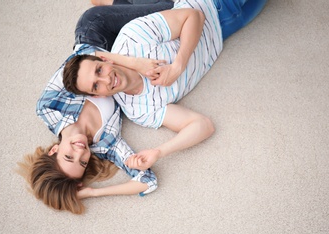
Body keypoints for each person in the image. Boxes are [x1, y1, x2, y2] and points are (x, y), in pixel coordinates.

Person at [62, 0, 268, 170]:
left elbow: (193, 16)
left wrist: (177, 67)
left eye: (99, 71)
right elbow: (203, 125)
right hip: (227, 28)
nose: (107, 80)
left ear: (105, 60)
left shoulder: (131, 38)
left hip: (214, 5)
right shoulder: (137, 111)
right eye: (96, 86)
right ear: (97, 95)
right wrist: (158, 152)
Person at [19, 0, 174, 214]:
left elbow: (82, 56)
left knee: (172, 5)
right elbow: (147, 181)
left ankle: (107, 5)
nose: (80, 152)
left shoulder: (49, 107)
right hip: (132, 43)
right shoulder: (106, 144)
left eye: (68, 156)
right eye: (82, 163)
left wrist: (135, 64)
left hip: (100, 34)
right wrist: (93, 193)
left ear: (54, 149)